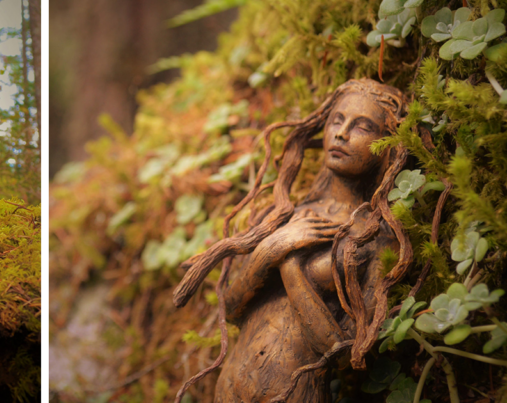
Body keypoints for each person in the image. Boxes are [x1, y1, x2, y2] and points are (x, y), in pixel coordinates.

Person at [173, 79, 412, 402]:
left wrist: (291, 268)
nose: (341, 133)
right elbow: (229, 309)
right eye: (337, 120)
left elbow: (344, 356)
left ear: (387, 146)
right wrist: (271, 249)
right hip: (230, 386)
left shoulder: (378, 238)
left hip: (293, 391)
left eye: (362, 127)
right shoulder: (288, 215)